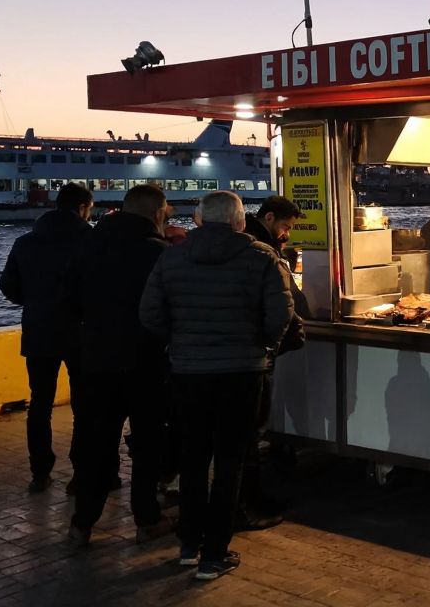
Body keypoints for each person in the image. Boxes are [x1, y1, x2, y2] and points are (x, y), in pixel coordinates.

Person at [140, 191, 294, 580]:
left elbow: (150, 313)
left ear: (197, 219)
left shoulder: (171, 257)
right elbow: (282, 314)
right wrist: (264, 348)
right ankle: (215, 554)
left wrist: (176, 345)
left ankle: (189, 545)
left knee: (193, 458)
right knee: (231, 460)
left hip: (189, 372)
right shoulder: (262, 258)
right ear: (240, 221)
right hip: (243, 373)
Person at [60, 184, 173, 547]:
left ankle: (82, 523)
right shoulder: (159, 254)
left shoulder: (87, 246)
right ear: (157, 213)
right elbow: (169, 310)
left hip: (96, 360)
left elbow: (69, 301)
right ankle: (146, 519)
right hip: (146, 361)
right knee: (147, 444)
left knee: (97, 443)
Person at [0, 182, 94, 493]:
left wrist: (36, 301)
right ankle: (82, 473)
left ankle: (40, 471)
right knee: (84, 404)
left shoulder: (25, 242)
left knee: (39, 403)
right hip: (81, 332)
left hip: (39, 330)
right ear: (83, 207)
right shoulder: (92, 241)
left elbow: (8, 286)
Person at [240, 194, 310, 531]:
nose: (286, 234)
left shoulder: (183, 255)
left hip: (198, 363)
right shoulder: (262, 253)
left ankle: (213, 511)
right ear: (268, 218)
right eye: (285, 226)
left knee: (223, 439)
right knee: (247, 434)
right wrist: (275, 343)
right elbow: (283, 308)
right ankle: (248, 504)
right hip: (251, 359)